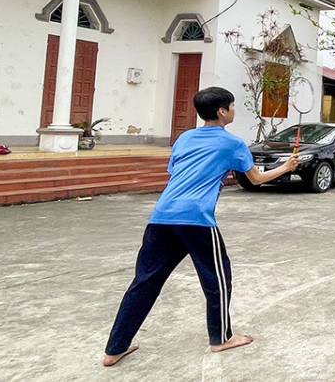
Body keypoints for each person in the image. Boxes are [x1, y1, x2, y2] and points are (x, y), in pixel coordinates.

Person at [101, 87, 300, 367]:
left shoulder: (184, 138)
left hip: (161, 216)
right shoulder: (233, 143)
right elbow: (255, 179)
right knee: (217, 281)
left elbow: (177, 172)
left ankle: (114, 349)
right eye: (232, 106)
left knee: (144, 282)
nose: (233, 110)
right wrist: (287, 167)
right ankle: (221, 339)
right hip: (196, 219)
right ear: (222, 111)